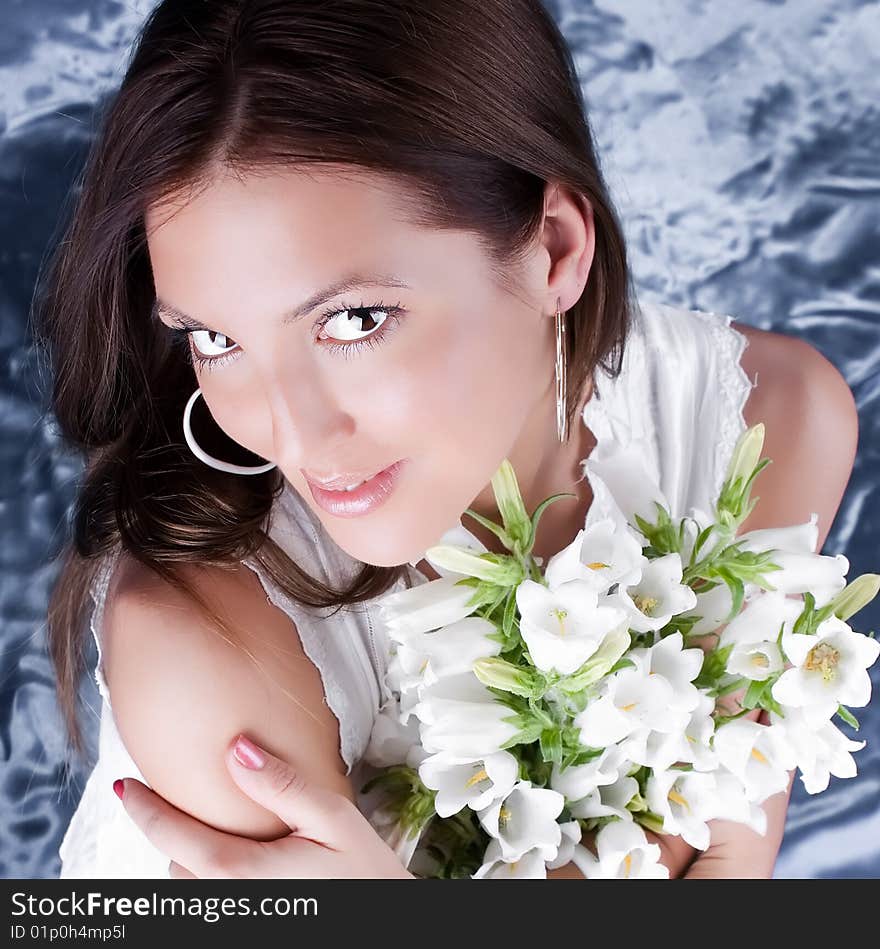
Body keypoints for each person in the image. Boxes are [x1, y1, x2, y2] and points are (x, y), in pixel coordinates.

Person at [36, 0, 858, 879]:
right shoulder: (200, 645)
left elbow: (731, 856)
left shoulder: (768, 419)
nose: (295, 431)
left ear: (553, 247)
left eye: (353, 320)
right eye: (215, 339)